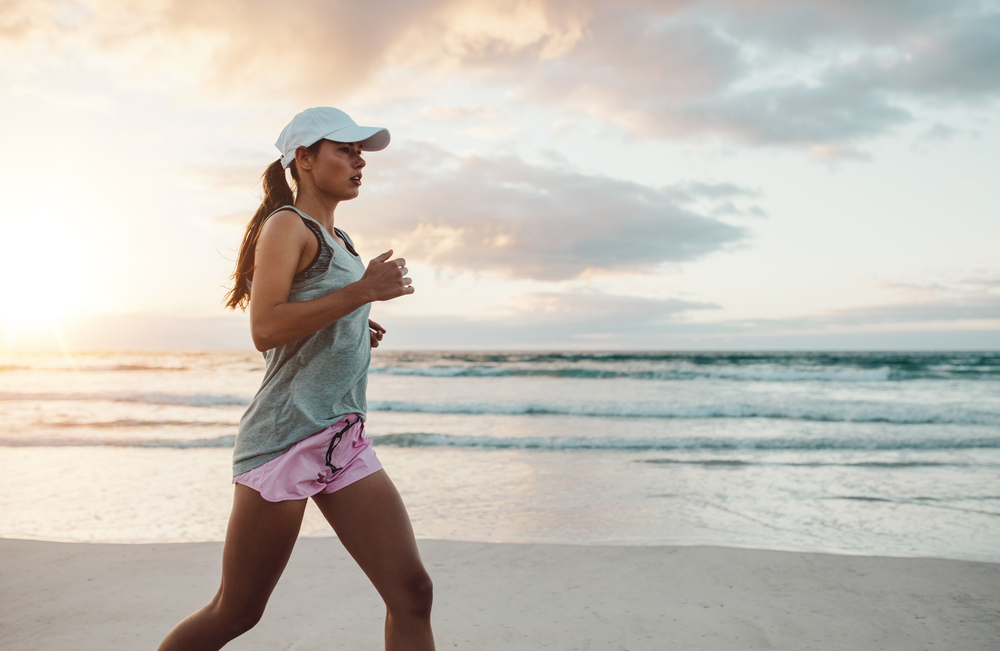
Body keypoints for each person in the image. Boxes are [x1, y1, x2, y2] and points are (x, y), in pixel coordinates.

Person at [157, 107, 435, 651]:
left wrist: (355, 322)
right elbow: (264, 327)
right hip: (285, 440)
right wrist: (359, 294)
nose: (359, 162)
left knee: (412, 592)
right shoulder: (286, 225)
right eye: (345, 150)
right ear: (303, 159)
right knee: (236, 611)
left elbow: (311, 309)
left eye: (361, 153)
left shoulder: (343, 238)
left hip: (341, 439)